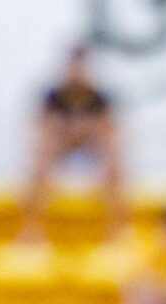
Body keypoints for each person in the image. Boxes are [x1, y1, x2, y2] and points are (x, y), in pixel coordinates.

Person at [29, 43, 122, 213]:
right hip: (61, 143)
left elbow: (110, 128)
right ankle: (35, 222)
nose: (76, 71)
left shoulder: (97, 97)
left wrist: (86, 129)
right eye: (73, 66)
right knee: (39, 157)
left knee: (114, 157)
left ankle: (116, 221)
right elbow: (41, 125)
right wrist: (63, 129)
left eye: (80, 67)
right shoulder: (54, 96)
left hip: (90, 143)